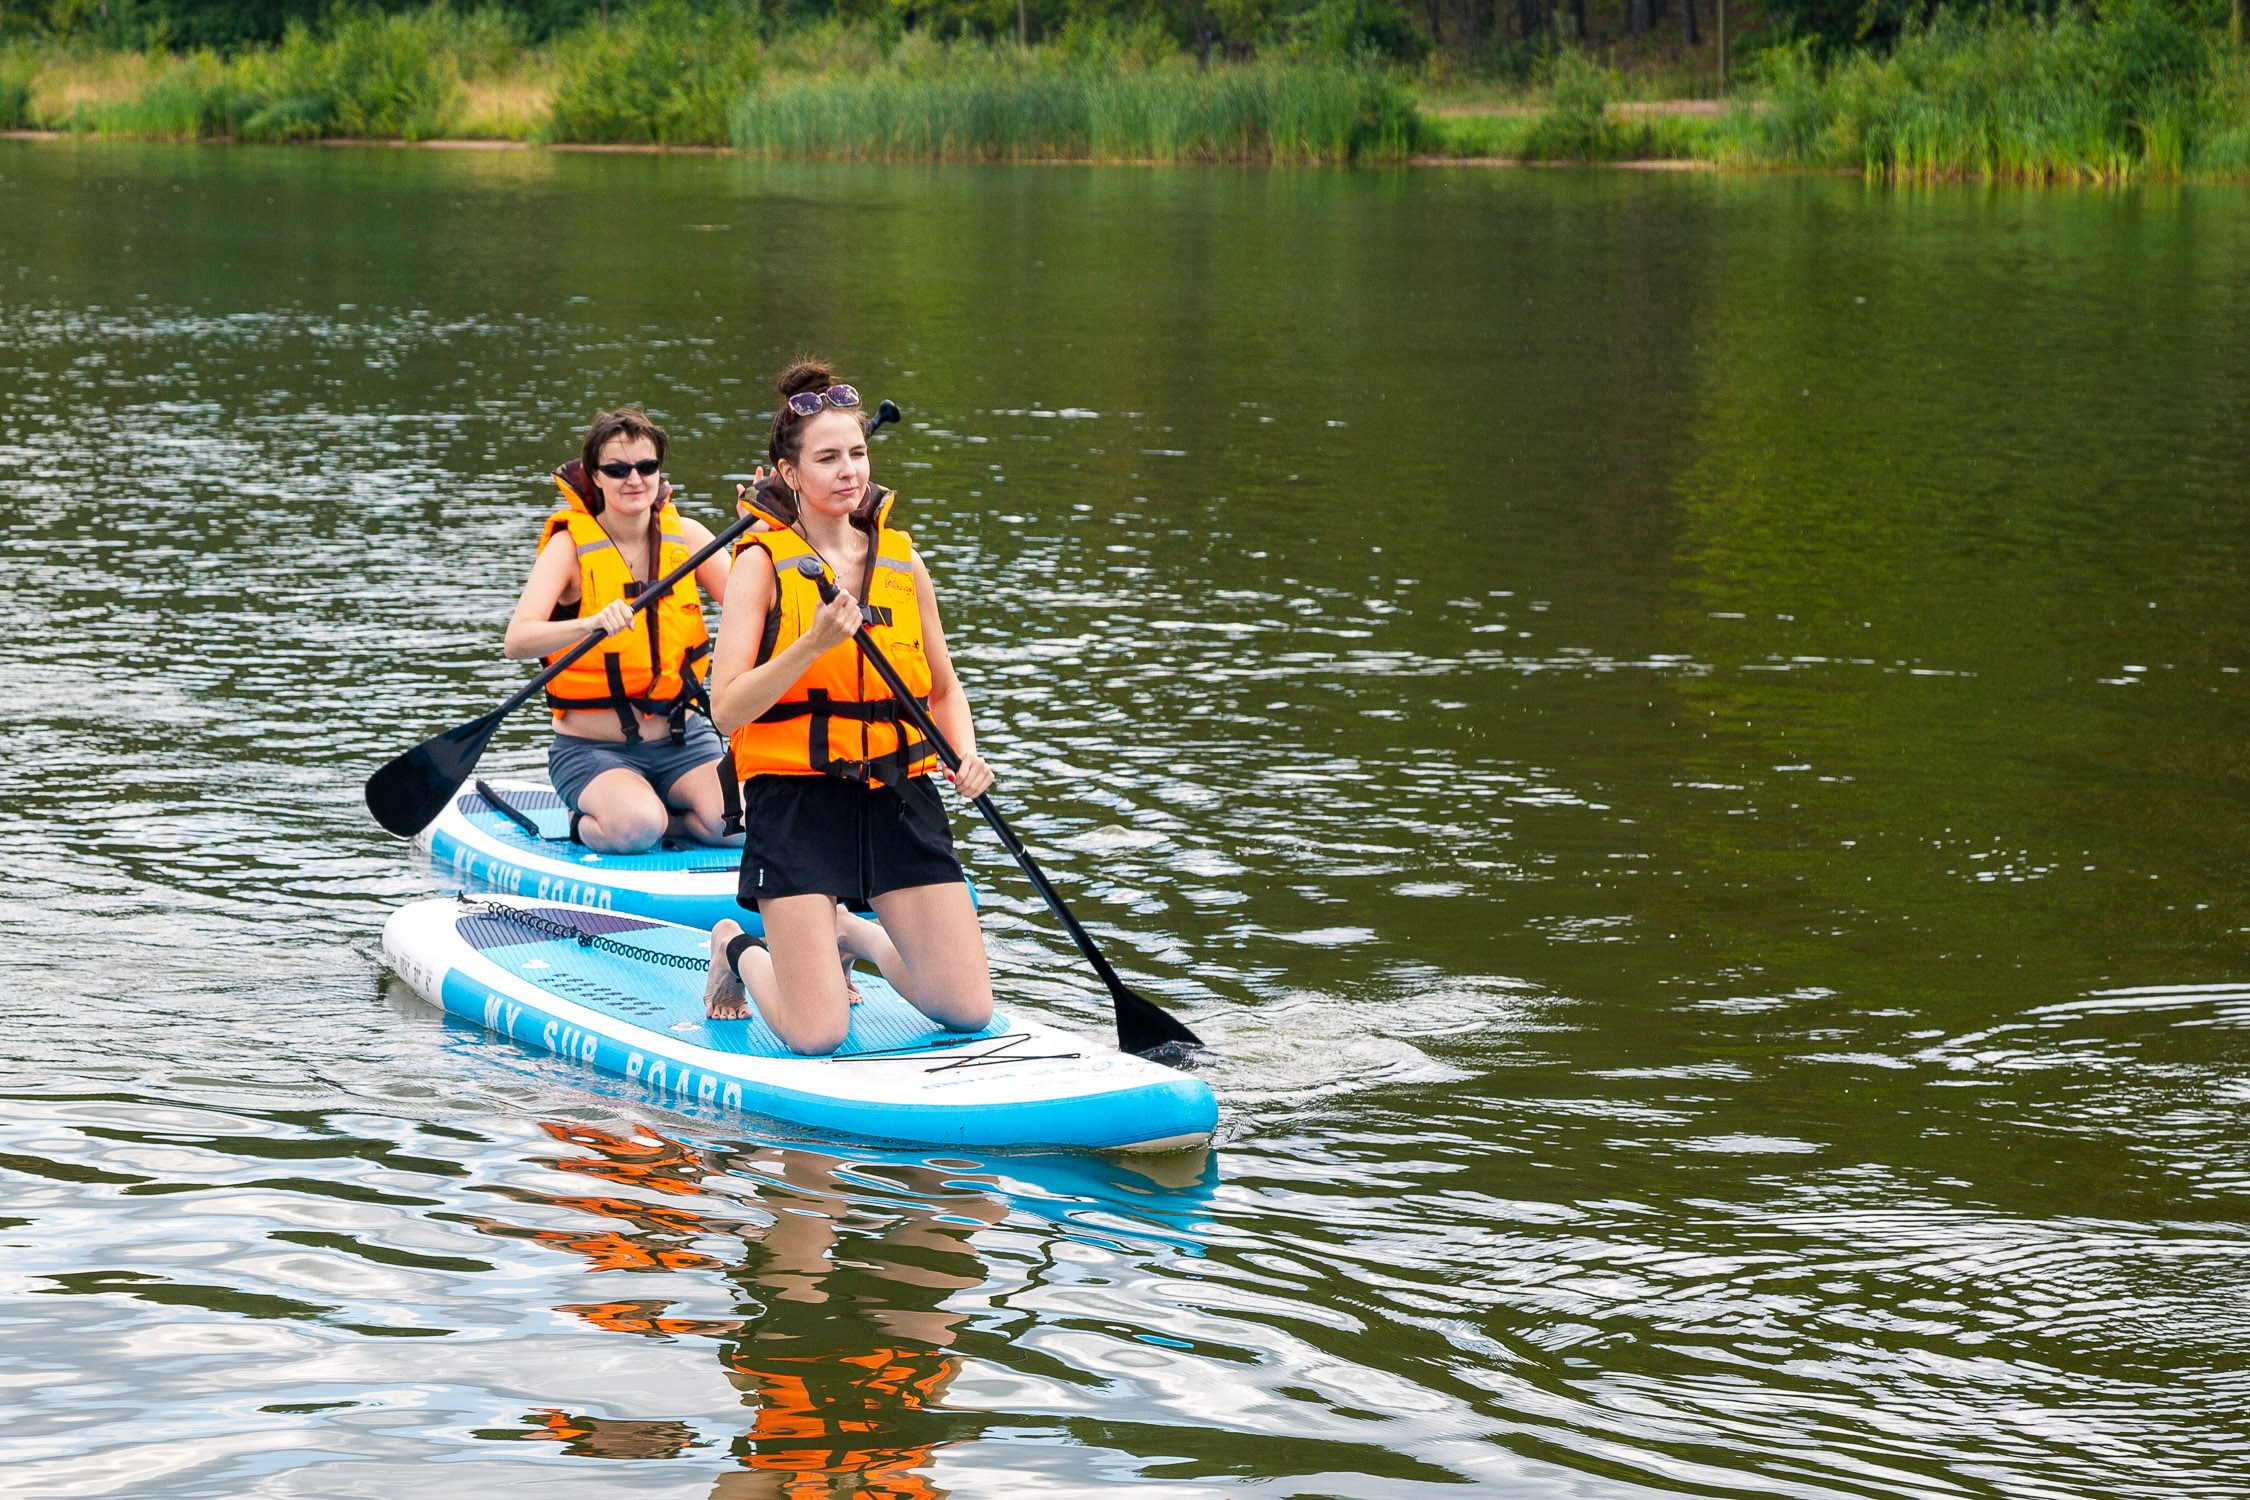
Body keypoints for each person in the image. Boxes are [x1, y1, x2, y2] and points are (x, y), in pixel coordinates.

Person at [699, 362, 995, 1052]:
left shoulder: (902, 561)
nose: (848, 471)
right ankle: (735, 946)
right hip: (797, 800)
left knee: (966, 1010)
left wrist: (965, 754)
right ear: (789, 473)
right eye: (827, 457)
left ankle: (849, 932)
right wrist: (811, 644)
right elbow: (726, 710)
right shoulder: (759, 564)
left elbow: (943, 689)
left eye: (857, 453)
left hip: (898, 794)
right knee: (817, 1034)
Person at [504, 408, 736, 854]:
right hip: (593, 750)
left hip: (684, 741)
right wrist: (589, 623)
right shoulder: (568, 549)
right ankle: (596, 821)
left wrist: (769, 535)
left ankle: (669, 819)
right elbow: (517, 641)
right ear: (595, 475)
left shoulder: (688, 537)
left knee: (742, 822)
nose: (634, 479)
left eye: (646, 466)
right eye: (617, 469)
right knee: (637, 827)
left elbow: (761, 613)